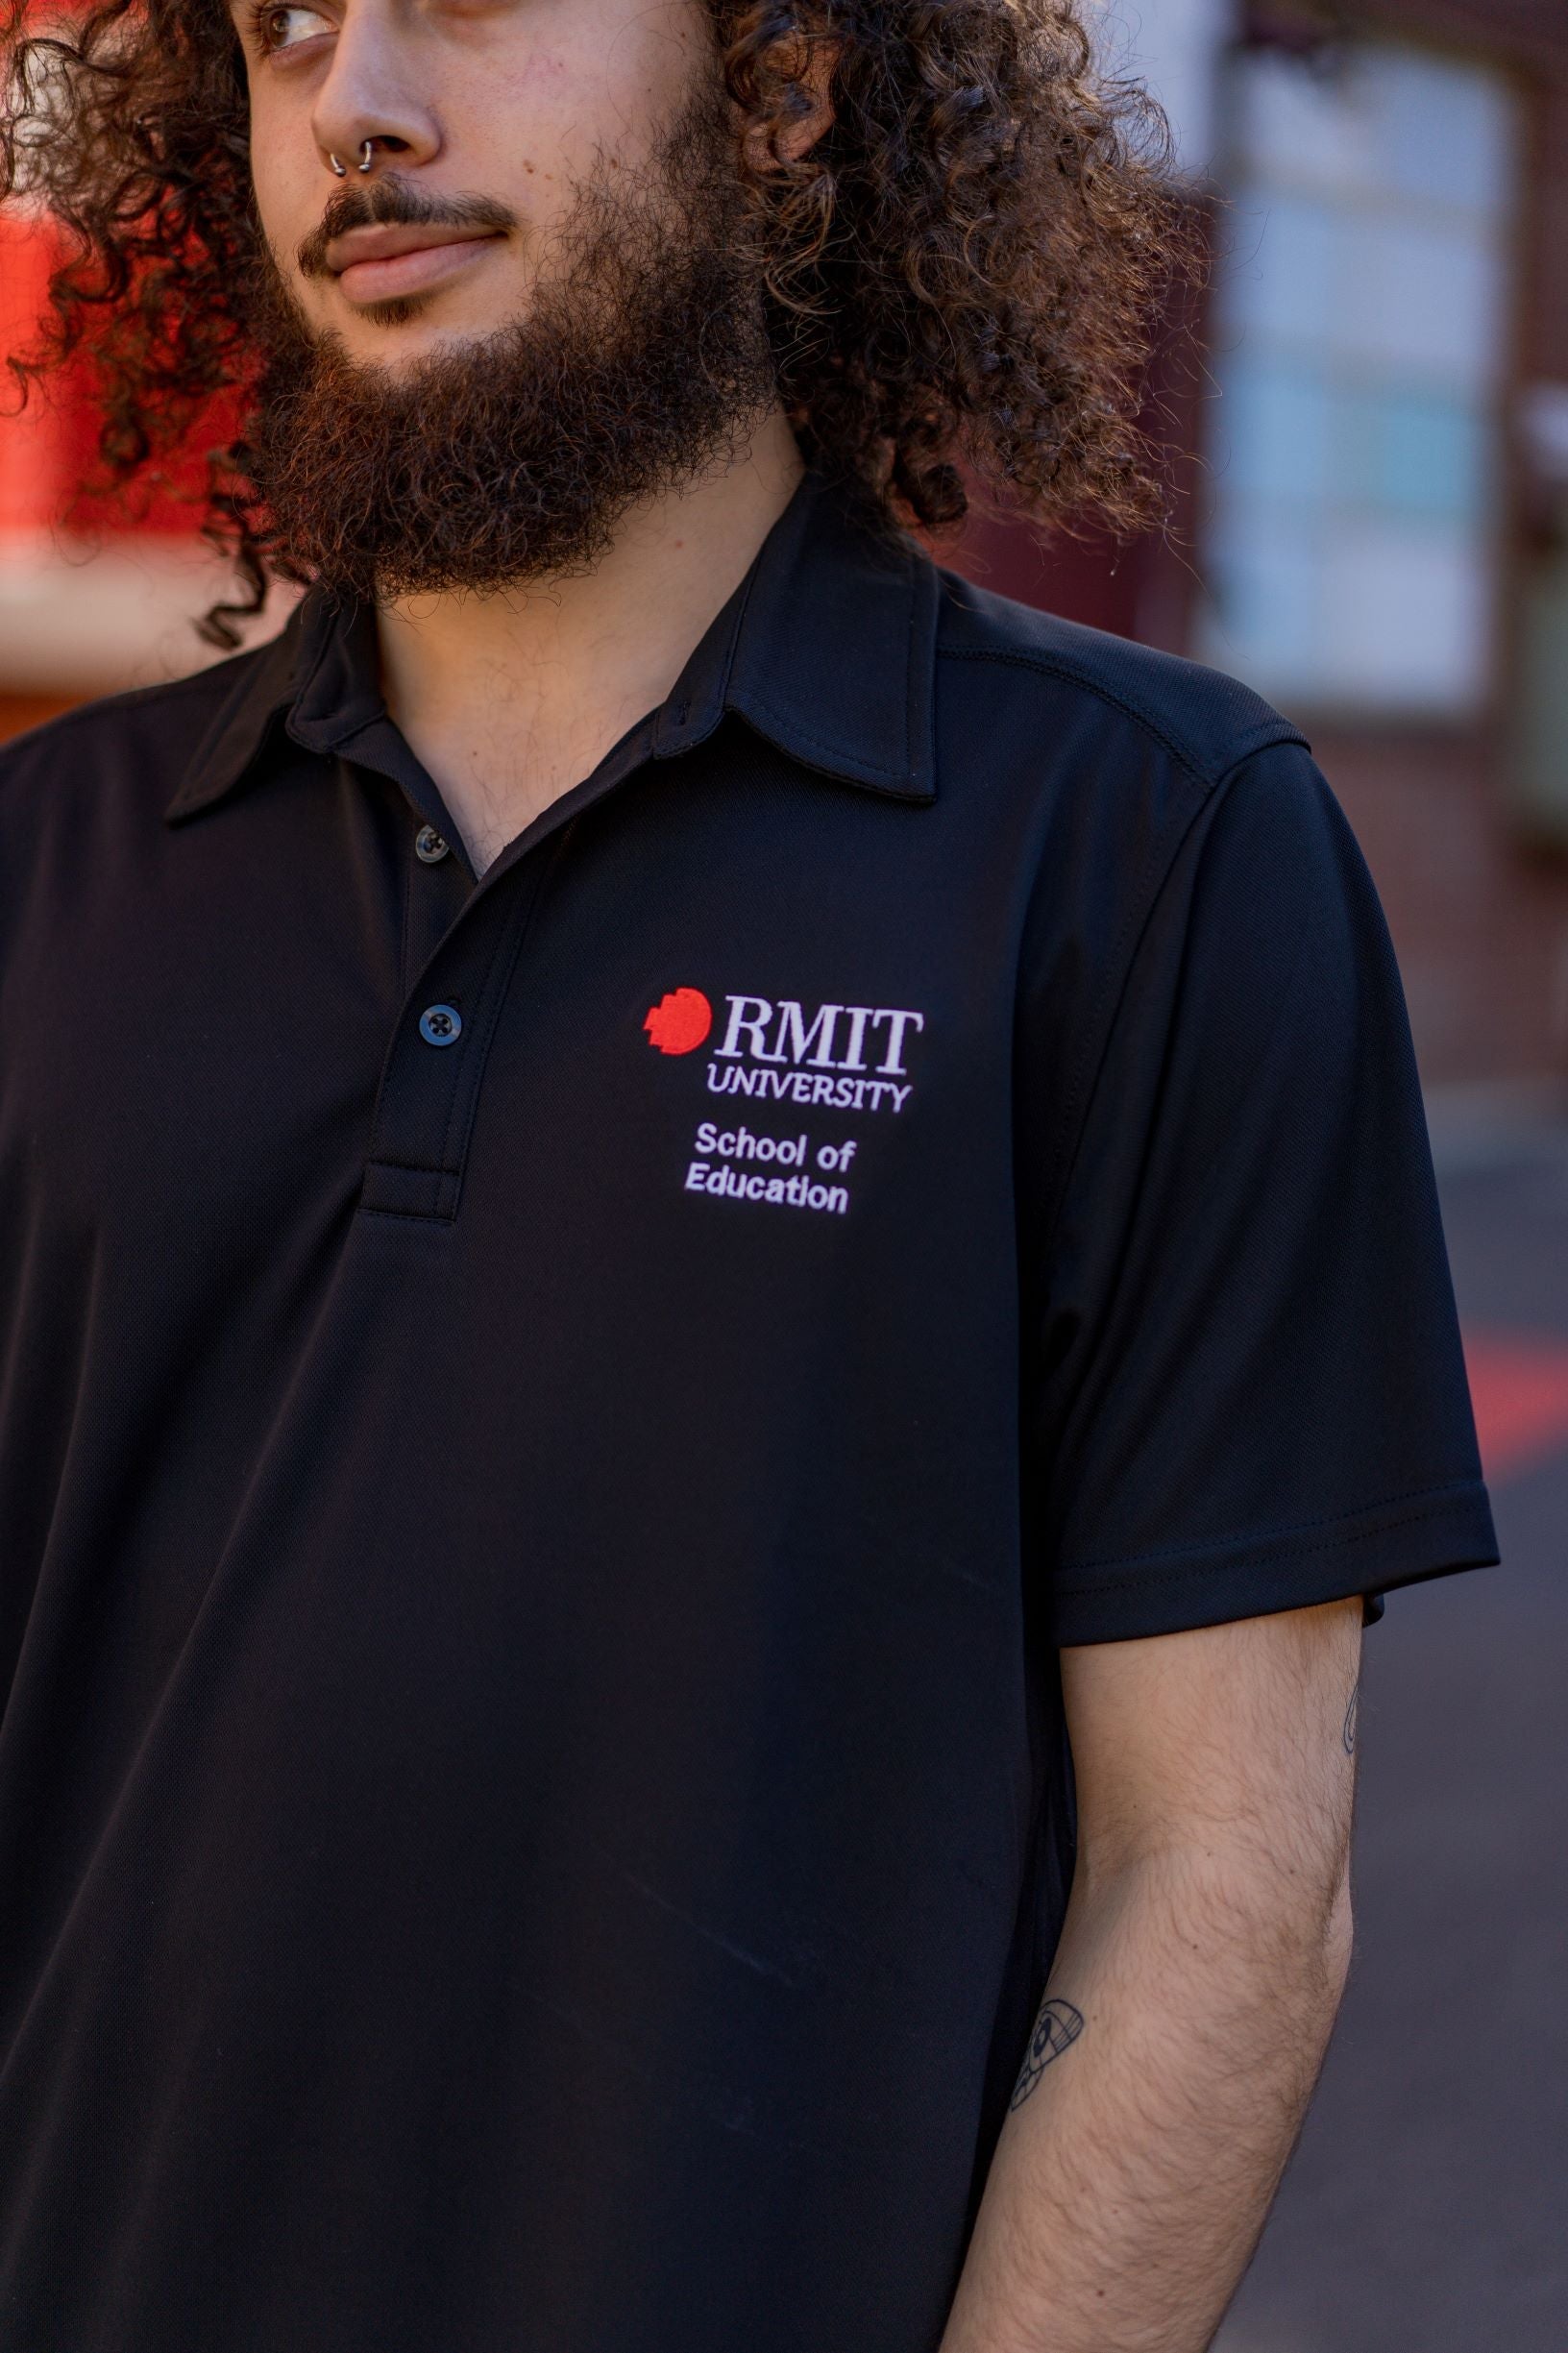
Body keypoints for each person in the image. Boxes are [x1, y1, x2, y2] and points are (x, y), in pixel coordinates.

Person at [0, 0, 1499, 2346]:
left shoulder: (1149, 853)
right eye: (282, 28)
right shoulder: (45, 869)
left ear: (783, 86)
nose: (354, 100)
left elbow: (1216, 1879)